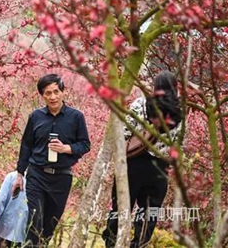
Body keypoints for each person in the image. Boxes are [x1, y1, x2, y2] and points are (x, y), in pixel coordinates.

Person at [102, 70, 182, 248]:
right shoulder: (180, 113)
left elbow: (124, 133)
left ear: (156, 87)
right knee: (149, 212)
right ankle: (139, 243)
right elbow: (178, 146)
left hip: (133, 164)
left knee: (121, 208)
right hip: (159, 168)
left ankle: (112, 241)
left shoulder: (141, 104)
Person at [14, 74, 91, 247]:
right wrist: (19, 174)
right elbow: (26, 145)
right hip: (36, 174)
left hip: (62, 177)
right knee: (35, 219)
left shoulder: (76, 117)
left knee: (49, 225)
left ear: (63, 92)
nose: (53, 97)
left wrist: (66, 148)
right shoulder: (36, 117)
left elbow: (85, 145)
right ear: (42, 95)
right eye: (48, 93)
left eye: (56, 91)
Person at [0, 171, 28, 248]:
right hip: (22, 233)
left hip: (4, 229)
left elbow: (1, 200)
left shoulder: (12, 176)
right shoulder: (37, 182)